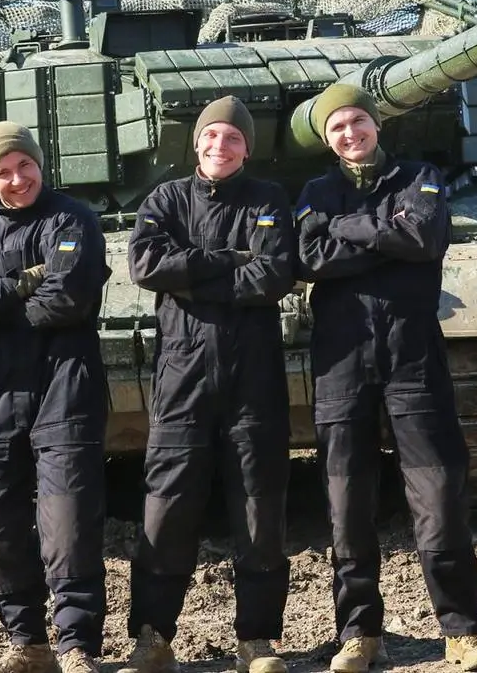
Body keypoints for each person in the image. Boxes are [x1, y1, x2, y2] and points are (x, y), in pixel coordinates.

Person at [293, 84, 477, 672]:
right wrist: (383, 233)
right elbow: (307, 259)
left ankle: (461, 632)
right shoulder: (314, 191)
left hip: (413, 358)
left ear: (376, 125)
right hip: (341, 364)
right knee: (347, 502)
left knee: (438, 497)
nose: (350, 133)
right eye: (338, 126)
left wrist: (348, 229)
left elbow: (424, 237)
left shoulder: (420, 175)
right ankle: (359, 633)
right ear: (327, 136)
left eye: (358, 120)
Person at [119, 96, 295, 673]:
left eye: (233, 138)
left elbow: (272, 275)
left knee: (258, 508)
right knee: (167, 506)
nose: (220, 146)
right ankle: (152, 635)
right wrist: (227, 260)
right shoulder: (165, 199)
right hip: (183, 374)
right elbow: (146, 266)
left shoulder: (269, 200)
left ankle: (258, 640)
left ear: (248, 146)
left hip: (254, 376)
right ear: (196, 142)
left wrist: (191, 272)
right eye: (211, 136)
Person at [0, 122, 110, 673]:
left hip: (67, 382)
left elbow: (69, 300)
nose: (17, 180)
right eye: (3, 172)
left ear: (41, 164)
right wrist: (20, 285)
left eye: (25, 166)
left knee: (68, 518)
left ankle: (76, 643)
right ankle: (28, 641)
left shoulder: (73, 218)